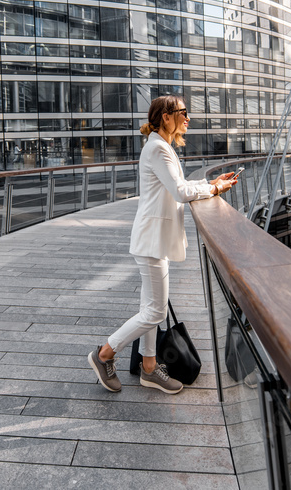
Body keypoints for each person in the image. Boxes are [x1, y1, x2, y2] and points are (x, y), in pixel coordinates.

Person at [88, 95, 237, 394]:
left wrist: (212, 184)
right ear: (166, 117)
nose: (188, 117)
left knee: (150, 308)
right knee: (155, 312)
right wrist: (214, 188)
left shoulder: (160, 147)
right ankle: (104, 353)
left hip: (153, 240)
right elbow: (181, 192)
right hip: (151, 241)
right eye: (183, 112)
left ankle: (149, 368)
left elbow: (177, 187)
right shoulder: (158, 148)